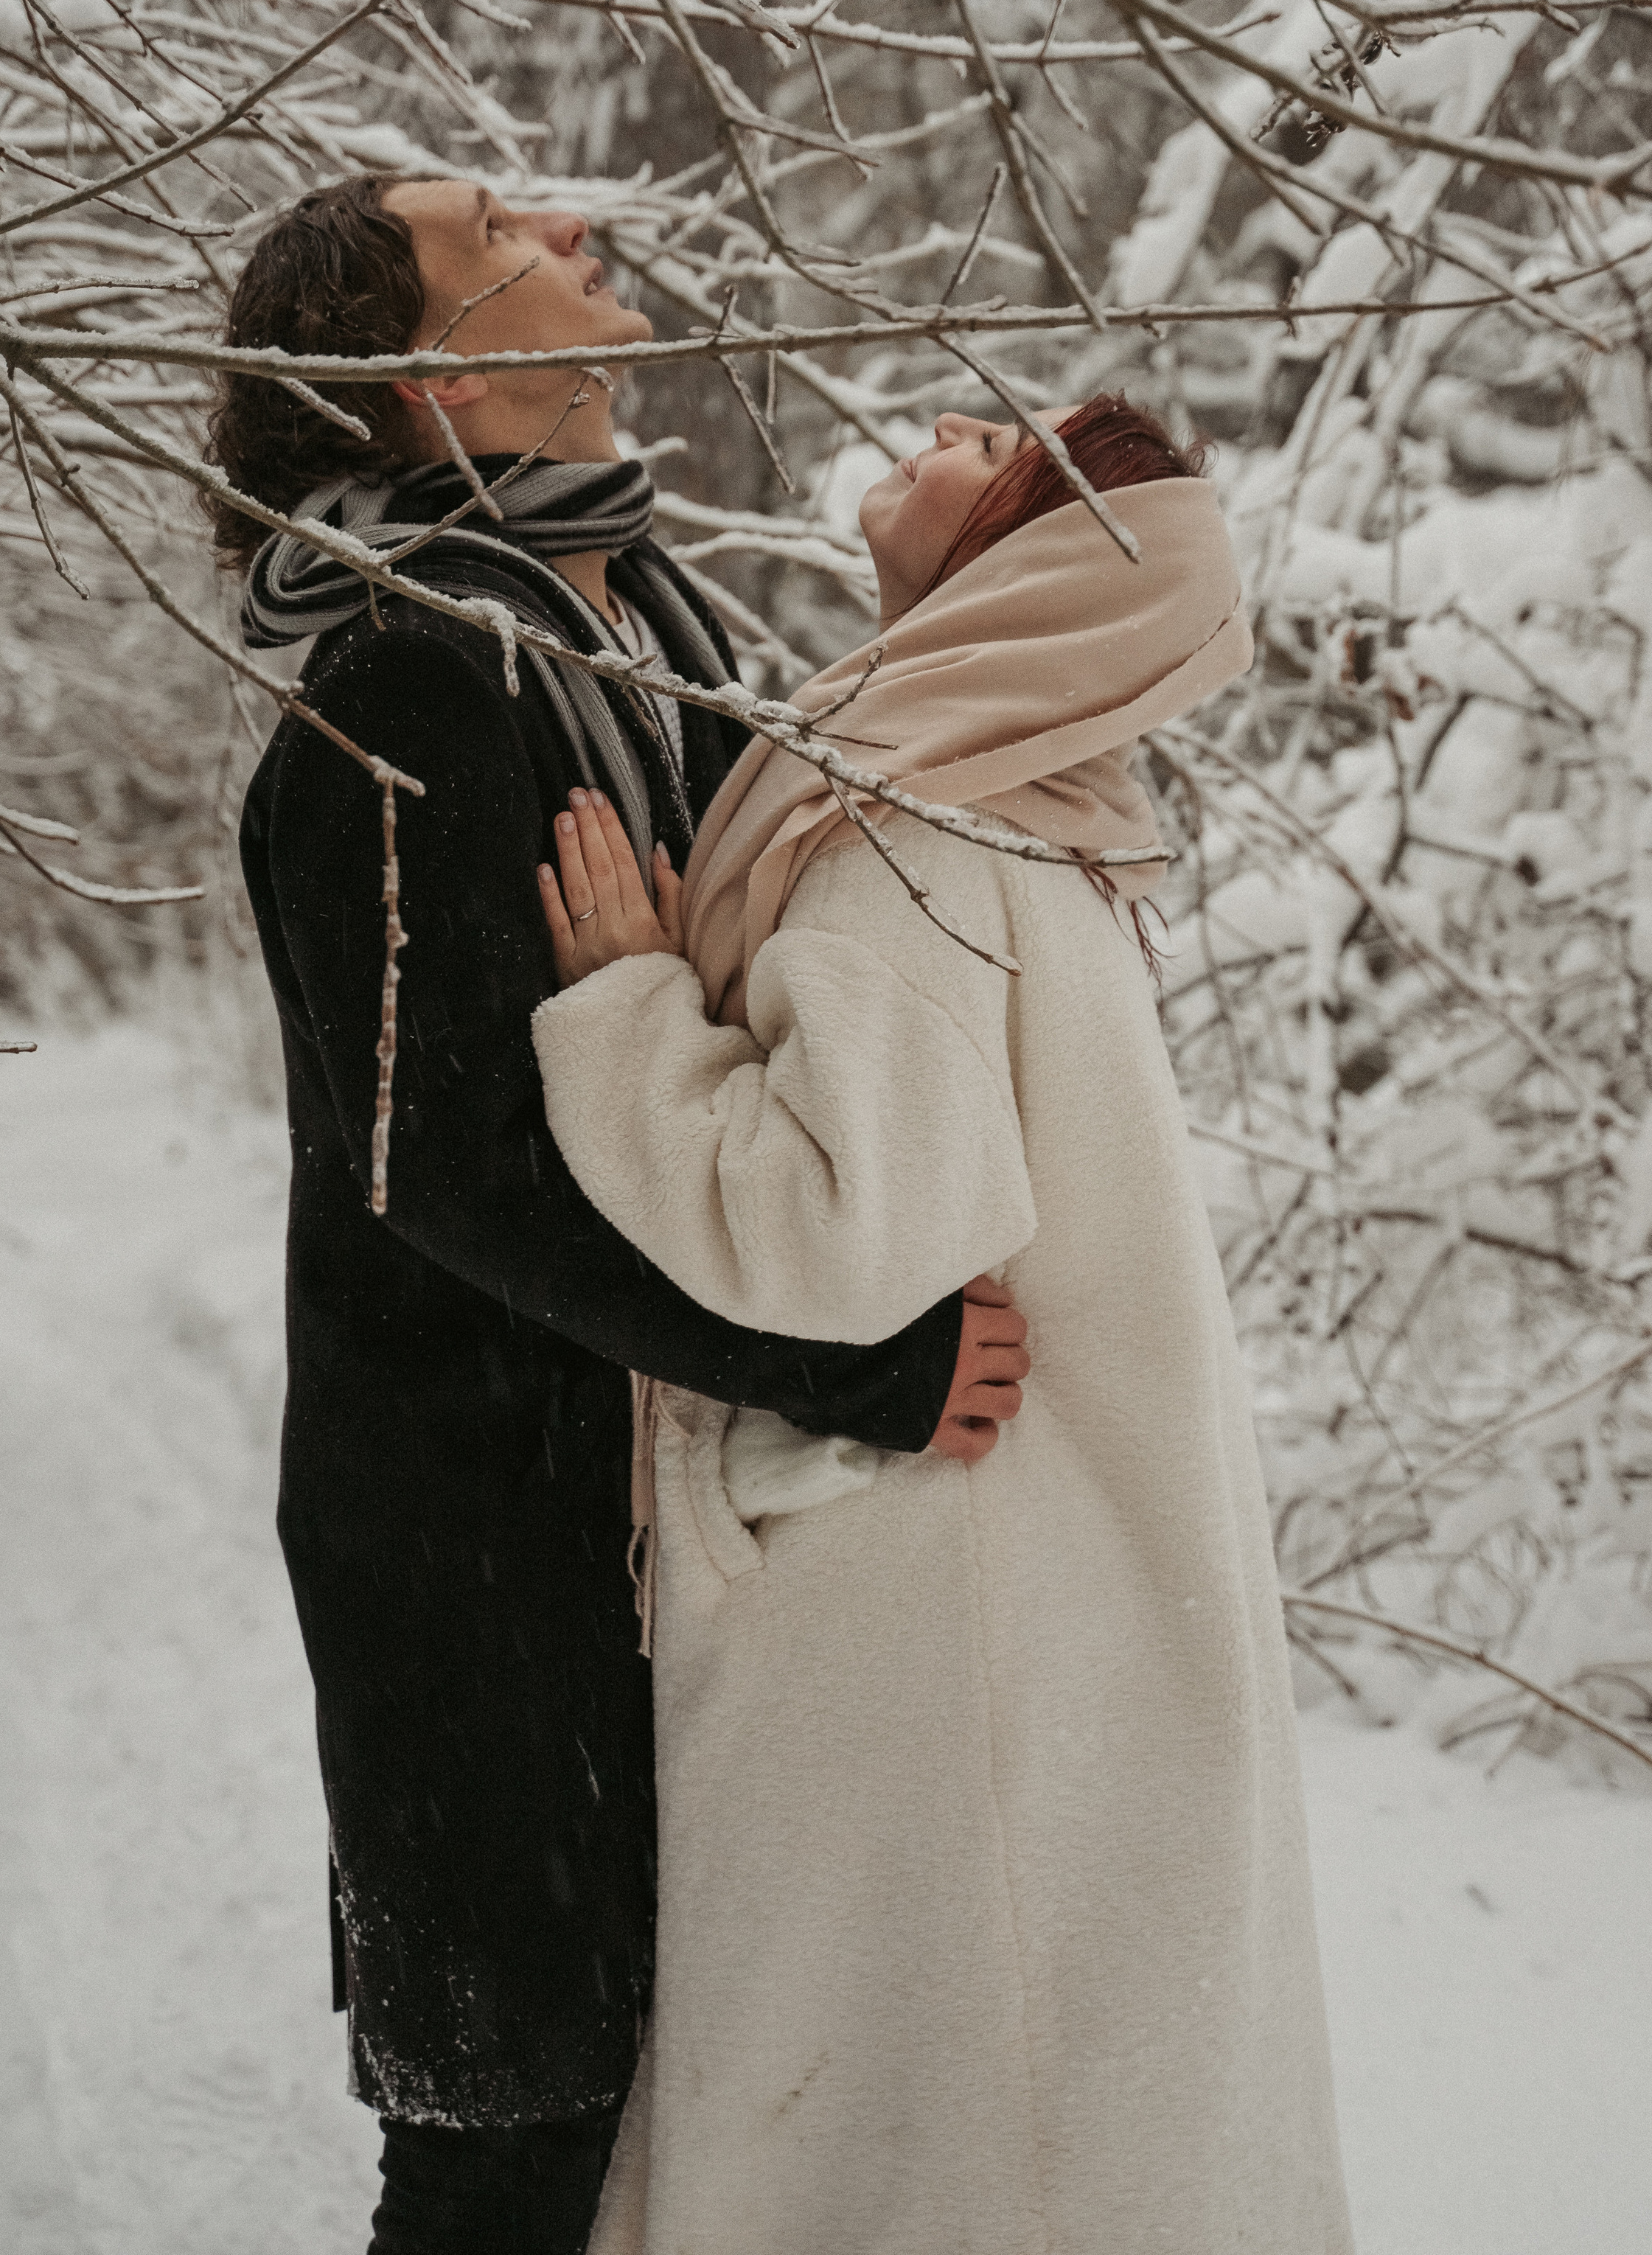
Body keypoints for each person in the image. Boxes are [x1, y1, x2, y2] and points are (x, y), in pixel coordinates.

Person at [209, 174, 1030, 2255]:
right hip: (480, 1555)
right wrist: (854, 1364)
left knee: (680, 2137)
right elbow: (446, 1176)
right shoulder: (393, 695)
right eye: (496, 221)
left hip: (654, 1526)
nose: (576, 218)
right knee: (508, 2143)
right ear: (413, 369)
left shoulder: (634, 621)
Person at [531, 394, 1353, 2255]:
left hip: (938, 1627)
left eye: (998, 441)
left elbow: (841, 1231)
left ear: (1038, 559)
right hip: (1024, 1612)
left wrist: (631, 1014)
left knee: (924, 2163)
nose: (936, 417)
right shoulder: (1021, 811)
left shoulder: (907, 833)